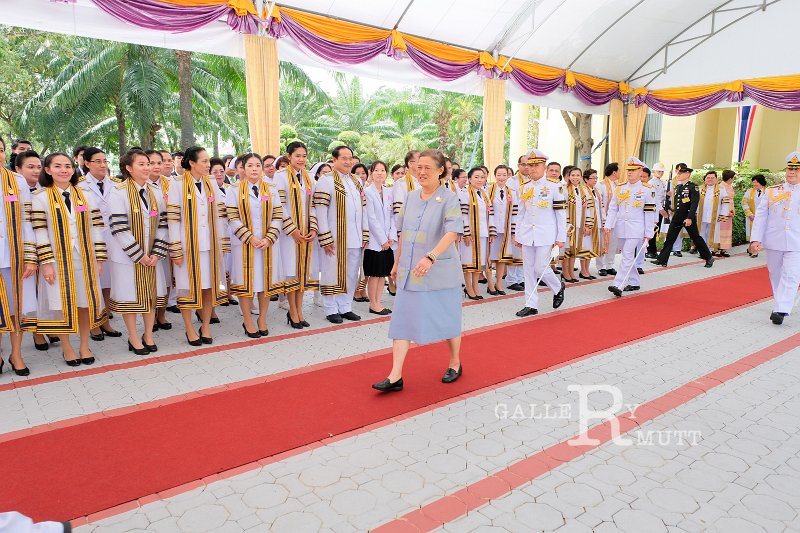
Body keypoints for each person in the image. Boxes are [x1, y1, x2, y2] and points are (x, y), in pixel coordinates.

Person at [372, 149, 464, 392]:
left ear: (441, 170)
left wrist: (431, 257)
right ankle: (395, 376)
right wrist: (396, 262)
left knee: (448, 317)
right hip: (409, 271)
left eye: (428, 168)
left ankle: (455, 362)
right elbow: (404, 234)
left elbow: (452, 232)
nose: (422, 172)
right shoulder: (411, 197)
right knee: (401, 320)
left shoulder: (449, 197)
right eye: (418, 167)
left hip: (439, 272)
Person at [31, 153, 107, 366]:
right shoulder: (40, 197)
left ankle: (84, 345)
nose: (64, 170)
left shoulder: (85, 196)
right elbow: (40, 232)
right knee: (62, 305)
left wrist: (99, 258)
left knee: (84, 303)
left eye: (67, 166)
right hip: (56, 260)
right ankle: (67, 347)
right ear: (48, 170)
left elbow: (97, 228)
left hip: (84, 258)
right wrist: (46, 263)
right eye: (58, 166)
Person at [167, 146, 229, 346]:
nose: (208, 164)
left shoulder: (211, 182)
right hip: (187, 247)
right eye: (203, 161)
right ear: (191, 163)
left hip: (210, 245)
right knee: (186, 287)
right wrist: (176, 249)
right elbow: (173, 219)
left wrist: (222, 243)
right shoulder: (176, 184)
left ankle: (206, 326)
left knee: (209, 285)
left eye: (208, 160)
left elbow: (220, 215)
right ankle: (189, 328)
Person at [107, 149, 168, 355]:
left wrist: (157, 252)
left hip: (152, 256)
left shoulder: (155, 191)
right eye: (141, 164)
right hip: (128, 257)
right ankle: (133, 337)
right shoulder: (118, 191)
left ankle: (148, 334)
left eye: (148, 163)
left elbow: (163, 223)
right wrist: (139, 255)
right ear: (128, 168)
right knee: (131, 299)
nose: (147, 168)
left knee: (150, 296)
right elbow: (118, 226)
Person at [226, 153, 283, 337]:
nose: (254, 169)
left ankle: (262, 318)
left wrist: (269, 237)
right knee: (246, 284)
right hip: (244, 245)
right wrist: (249, 237)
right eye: (250, 165)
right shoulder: (234, 190)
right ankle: (248, 321)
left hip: (267, 244)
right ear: (242, 168)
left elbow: (278, 215)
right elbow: (232, 217)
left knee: (265, 283)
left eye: (257, 165)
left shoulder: (272, 188)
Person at [313, 145, 368, 324]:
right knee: (332, 272)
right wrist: (325, 236)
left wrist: (365, 233)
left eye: (350, 158)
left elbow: (363, 209)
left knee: (351, 272)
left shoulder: (356, 180)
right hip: (335, 237)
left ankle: (345, 306)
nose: (347, 161)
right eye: (343, 158)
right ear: (334, 160)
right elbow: (320, 211)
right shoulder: (326, 180)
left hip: (355, 236)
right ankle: (331, 308)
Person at [513, 149, 566, 317]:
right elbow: (521, 213)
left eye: (537, 165)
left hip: (546, 234)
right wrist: (517, 234)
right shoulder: (524, 187)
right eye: (530, 165)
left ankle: (557, 286)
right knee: (528, 269)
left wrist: (560, 238)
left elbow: (560, 214)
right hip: (528, 233)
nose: (533, 168)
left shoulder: (554, 187)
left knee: (540, 266)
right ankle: (531, 304)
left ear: (544, 167)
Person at [0, 139, 37, 376]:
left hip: (14, 255)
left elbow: (27, 220)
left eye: (1, 150)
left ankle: (16, 354)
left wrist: (31, 256)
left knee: (17, 307)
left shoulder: (17, 181)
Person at [749, 152, 800, 325]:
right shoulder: (772, 191)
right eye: (789, 169)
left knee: (791, 275)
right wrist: (755, 239)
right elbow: (761, 217)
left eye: (796, 169)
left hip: (797, 242)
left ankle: (781, 309)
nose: (791, 172)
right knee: (776, 274)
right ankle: (782, 302)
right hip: (774, 240)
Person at [78, 146, 123, 341]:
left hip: (114, 241)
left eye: (105, 161)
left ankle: (105, 321)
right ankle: (92, 324)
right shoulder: (78, 186)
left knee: (107, 284)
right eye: (98, 161)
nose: (103, 165)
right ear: (86, 163)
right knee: (92, 282)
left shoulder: (117, 184)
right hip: (91, 241)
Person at [275, 141, 318, 328]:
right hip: (289, 235)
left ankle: (300, 310)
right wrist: (292, 230)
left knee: (302, 273)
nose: (301, 159)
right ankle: (292, 311)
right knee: (291, 272)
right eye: (297, 156)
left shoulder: (309, 178)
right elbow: (279, 206)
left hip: (306, 234)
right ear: (289, 156)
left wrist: (314, 228)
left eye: (304, 156)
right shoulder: (281, 176)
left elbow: (314, 205)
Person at [604, 157, 657, 297]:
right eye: (628, 170)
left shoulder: (647, 189)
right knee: (627, 256)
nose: (630, 173)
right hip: (621, 227)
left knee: (627, 254)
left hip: (637, 229)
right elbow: (613, 208)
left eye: (633, 170)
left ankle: (618, 284)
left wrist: (648, 233)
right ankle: (634, 281)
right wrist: (608, 224)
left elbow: (650, 212)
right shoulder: (620, 187)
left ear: (640, 171)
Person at [651, 166, 715, 268]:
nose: (678, 175)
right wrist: (672, 210)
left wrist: (689, 217)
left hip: (687, 217)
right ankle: (662, 260)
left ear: (688, 174)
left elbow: (694, 204)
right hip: (677, 217)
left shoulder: (692, 187)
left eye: (681, 173)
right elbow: (677, 203)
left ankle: (708, 257)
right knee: (670, 238)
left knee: (696, 238)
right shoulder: (678, 187)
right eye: (678, 173)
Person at [147, 150, 178, 320]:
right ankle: (151, 314)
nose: (157, 166)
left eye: (160, 163)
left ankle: (161, 314)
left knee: (166, 278)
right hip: (148, 240)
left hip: (168, 237)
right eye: (152, 163)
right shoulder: (141, 185)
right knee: (153, 279)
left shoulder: (171, 183)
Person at [364, 160, 395, 315]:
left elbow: (392, 215)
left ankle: (379, 302)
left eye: (383, 170)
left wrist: (391, 238)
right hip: (375, 241)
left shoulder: (389, 191)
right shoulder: (367, 192)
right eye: (376, 170)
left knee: (383, 273)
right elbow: (371, 218)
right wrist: (382, 240)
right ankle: (373, 304)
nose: (380, 173)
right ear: (371, 172)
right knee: (374, 274)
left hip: (388, 242)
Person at [460, 167, 495, 299]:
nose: (480, 180)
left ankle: (475, 286)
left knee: (479, 263)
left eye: (482, 177)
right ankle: (468, 288)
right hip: (470, 234)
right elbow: (463, 215)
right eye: (476, 177)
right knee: (469, 262)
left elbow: (490, 214)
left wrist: (492, 232)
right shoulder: (464, 193)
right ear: (469, 179)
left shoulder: (485, 194)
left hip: (483, 233)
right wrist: (466, 233)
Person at [562, 167, 596, 282]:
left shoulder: (584, 190)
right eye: (573, 175)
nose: (575, 177)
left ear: (581, 177)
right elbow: (562, 209)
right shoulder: (564, 189)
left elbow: (590, 209)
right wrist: (566, 225)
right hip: (568, 225)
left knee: (574, 249)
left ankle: (572, 272)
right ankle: (565, 272)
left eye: (577, 175)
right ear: (568, 176)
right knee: (567, 249)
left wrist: (588, 225)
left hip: (580, 225)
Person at [487, 165, 516, 295]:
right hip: (491, 230)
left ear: (508, 176)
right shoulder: (488, 190)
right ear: (495, 175)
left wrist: (514, 232)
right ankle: (490, 283)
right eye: (499, 174)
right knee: (488, 257)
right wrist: (490, 228)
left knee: (501, 258)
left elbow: (515, 213)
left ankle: (499, 282)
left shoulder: (512, 192)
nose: (502, 177)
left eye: (504, 174)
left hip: (505, 230)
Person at [696, 170, 730, 254]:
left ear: (716, 179)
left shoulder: (721, 190)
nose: (710, 179)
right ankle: (701, 251)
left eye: (712, 178)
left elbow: (725, 203)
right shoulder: (699, 189)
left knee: (712, 234)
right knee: (701, 233)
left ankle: (710, 250)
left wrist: (723, 214)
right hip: (701, 215)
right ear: (705, 179)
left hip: (715, 215)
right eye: (708, 178)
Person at [596, 162, 621, 276]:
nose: (621, 173)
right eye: (619, 171)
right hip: (604, 219)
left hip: (615, 219)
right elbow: (599, 204)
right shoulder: (600, 185)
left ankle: (610, 264)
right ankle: (601, 266)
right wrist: (605, 219)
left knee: (613, 243)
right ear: (614, 172)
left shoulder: (617, 185)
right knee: (602, 243)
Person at [582, 168, 603, 278]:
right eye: (592, 178)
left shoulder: (595, 190)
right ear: (586, 179)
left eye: (596, 177)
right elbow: (585, 210)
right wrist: (587, 224)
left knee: (591, 247)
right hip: (588, 223)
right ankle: (583, 270)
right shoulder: (584, 190)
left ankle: (587, 269)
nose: (595, 180)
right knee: (585, 246)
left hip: (597, 221)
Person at [645, 162, 667, 259]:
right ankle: (651, 250)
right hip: (654, 208)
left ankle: (652, 250)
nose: (661, 173)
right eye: (659, 171)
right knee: (652, 229)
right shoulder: (651, 183)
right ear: (654, 171)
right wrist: (660, 209)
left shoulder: (663, 182)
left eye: (662, 171)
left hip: (661, 207)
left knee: (656, 230)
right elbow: (654, 199)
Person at [392, 150, 420, 225]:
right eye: (419, 160)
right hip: (408, 226)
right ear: (410, 164)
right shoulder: (401, 183)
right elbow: (398, 212)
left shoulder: (424, 181)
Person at [743, 174, 767, 256]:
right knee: (753, 233)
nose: (754, 184)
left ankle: (752, 249)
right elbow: (744, 203)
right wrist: (749, 214)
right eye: (753, 182)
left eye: (756, 182)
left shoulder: (768, 191)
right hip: (752, 217)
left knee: (759, 233)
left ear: (761, 182)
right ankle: (753, 250)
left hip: (764, 217)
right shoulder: (749, 191)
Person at [717, 169, 736, 257]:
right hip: (723, 212)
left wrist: (732, 210)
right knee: (720, 230)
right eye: (733, 178)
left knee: (727, 231)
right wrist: (727, 211)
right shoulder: (721, 186)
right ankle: (716, 249)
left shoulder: (730, 186)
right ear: (730, 178)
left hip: (730, 210)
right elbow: (722, 201)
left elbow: (731, 200)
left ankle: (724, 249)